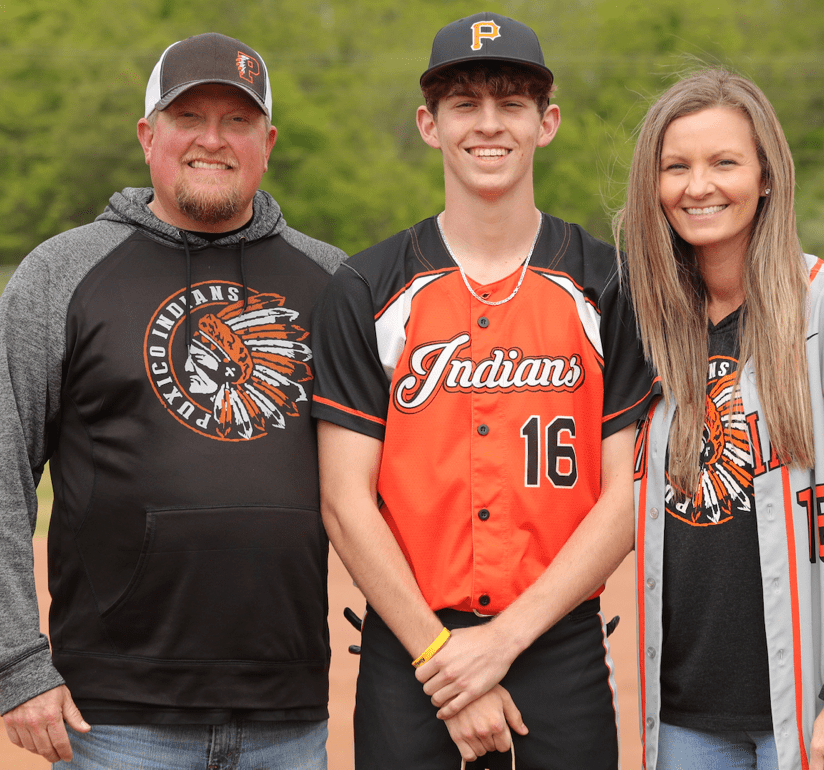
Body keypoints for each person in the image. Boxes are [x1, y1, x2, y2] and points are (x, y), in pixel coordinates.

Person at [0, 32, 345, 769]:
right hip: (114, 721)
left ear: (267, 143)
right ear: (147, 136)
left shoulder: (331, 282)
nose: (212, 140)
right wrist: (16, 664)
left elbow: (388, 477)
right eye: (187, 117)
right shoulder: (61, 273)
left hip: (288, 715)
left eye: (237, 121)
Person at [311, 12, 655, 770]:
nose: (489, 124)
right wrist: (444, 660)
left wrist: (503, 641)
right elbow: (344, 500)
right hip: (410, 645)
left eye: (512, 103)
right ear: (429, 125)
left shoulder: (609, 285)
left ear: (546, 123)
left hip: (557, 640)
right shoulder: (367, 287)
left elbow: (628, 494)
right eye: (464, 104)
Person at [618, 68, 824, 770]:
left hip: (816, 713)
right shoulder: (646, 328)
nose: (698, 186)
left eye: (724, 162)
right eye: (676, 167)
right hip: (683, 722)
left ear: (766, 176)